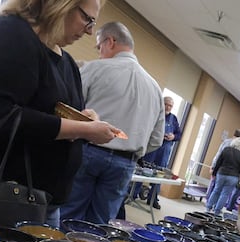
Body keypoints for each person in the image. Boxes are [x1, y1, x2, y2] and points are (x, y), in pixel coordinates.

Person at [0, 0, 119, 228]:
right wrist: (84, 129)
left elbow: (50, 114)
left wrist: (83, 119)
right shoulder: (5, 35)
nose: (90, 30)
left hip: (40, 201)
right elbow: (1, 119)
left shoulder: (66, 62)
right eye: (87, 18)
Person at [60, 21, 164, 225]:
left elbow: (69, 111)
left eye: (99, 47)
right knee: (101, 223)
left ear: (110, 41)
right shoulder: (155, 88)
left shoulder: (95, 69)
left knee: (69, 213)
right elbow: (156, 139)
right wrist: (130, 149)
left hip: (88, 152)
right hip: (125, 163)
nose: (99, 53)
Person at [134, 96, 182, 209]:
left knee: (160, 175)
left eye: (170, 105)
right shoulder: (155, 114)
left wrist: (173, 136)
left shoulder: (173, 119)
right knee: (142, 171)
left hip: (164, 150)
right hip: (152, 148)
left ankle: (153, 199)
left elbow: (179, 134)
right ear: (162, 103)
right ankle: (133, 194)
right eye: (166, 104)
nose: (168, 107)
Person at [206, 137, 240, 215]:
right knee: (225, 194)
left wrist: (214, 173)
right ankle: (217, 211)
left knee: (216, 190)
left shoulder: (226, 149)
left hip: (221, 173)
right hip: (233, 176)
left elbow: (219, 162)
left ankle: (208, 207)